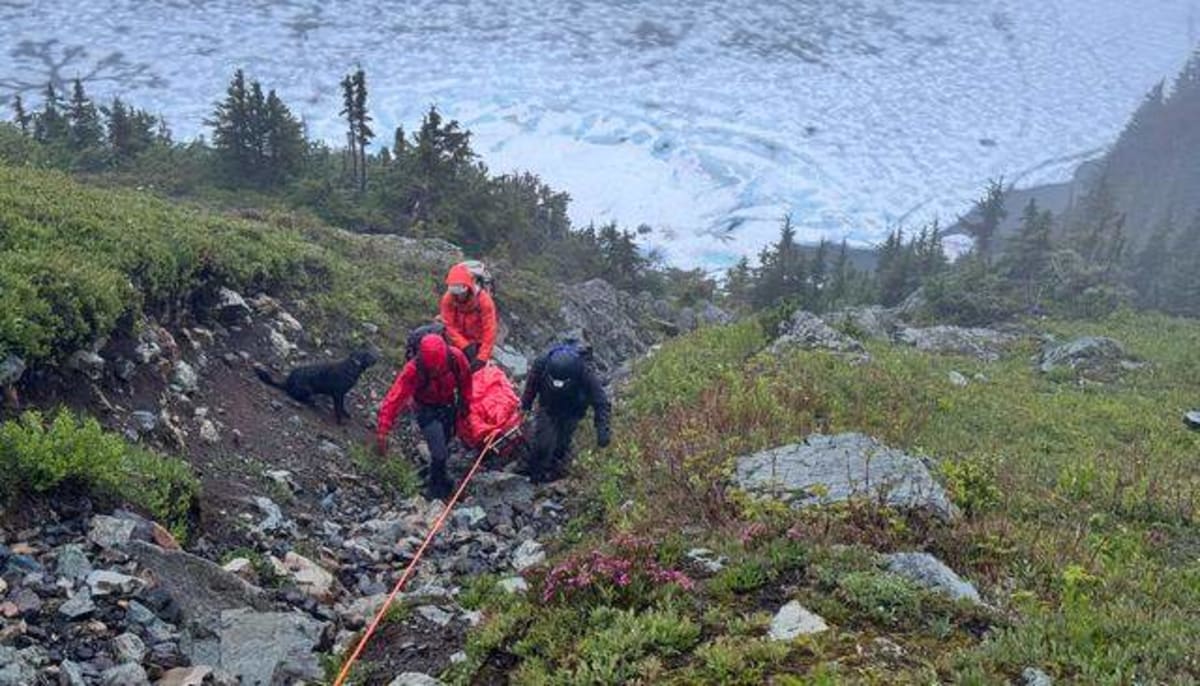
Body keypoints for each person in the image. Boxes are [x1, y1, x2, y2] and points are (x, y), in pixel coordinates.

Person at [376, 333, 472, 499]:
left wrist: (465, 406)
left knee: (445, 444)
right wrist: (383, 429)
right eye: (432, 368)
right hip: (425, 409)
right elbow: (395, 397)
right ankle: (435, 492)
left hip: (448, 405)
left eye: (439, 366)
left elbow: (466, 382)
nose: (436, 370)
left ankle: (435, 472)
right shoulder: (413, 370)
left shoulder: (456, 358)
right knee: (439, 452)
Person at [520, 341, 611, 483]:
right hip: (549, 406)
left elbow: (601, 401)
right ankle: (535, 475)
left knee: (562, 443)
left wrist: (602, 429)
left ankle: (554, 470)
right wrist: (526, 405)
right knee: (542, 443)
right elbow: (531, 386)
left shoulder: (585, 372)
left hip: (573, 408)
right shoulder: (541, 364)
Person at [440, 262, 497, 372]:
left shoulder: (484, 301)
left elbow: (489, 331)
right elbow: (449, 325)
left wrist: (482, 358)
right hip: (458, 339)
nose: (458, 297)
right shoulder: (448, 298)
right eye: (455, 294)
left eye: (461, 294)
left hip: (478, 341)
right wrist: (464, 345)